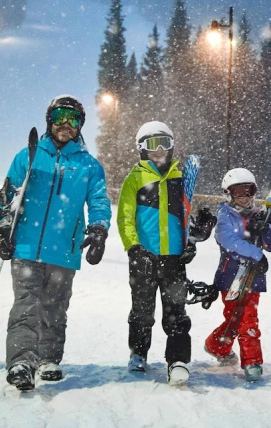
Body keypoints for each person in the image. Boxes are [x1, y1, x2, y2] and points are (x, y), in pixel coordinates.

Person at [0, 95, 111, 391]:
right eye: (60, 116)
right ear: (50, 120)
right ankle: (21, 362)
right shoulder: (28, 156)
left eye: (73, 119)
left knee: (55, 308)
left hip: (64, 250)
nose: (65, 124)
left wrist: (99, 229)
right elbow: (8, 197)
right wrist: (3, 228)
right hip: (26, 247)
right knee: (26, 305)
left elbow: (99, 200)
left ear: (80, 125)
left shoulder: (89, 165)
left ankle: (48, 359)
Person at [117, 121, 213, 386]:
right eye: (152, 144)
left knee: (176, 312)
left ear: (171, 147)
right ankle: (138, 352)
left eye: (164, 143)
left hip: (174, 259)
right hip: (144, 259)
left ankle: (178, 360)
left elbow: (185, 218)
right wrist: (134, 248)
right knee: (142, 311)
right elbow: (125, 218)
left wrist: (193, 238)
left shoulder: (179, 179)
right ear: (141, 148)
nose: (159, 150)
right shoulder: (135, 179)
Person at [204, 168, 271, 383]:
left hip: (253, 278)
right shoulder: (225, 216)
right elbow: (228, 241)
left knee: (247, 319)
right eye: (239, 192)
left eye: (249, 191)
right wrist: (256, 254)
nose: (245, 197)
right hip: (231, 277)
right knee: (235, 318)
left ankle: (251, 361)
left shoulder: (258, 214)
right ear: (228, 193)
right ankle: (217, 345)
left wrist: (265, 229)